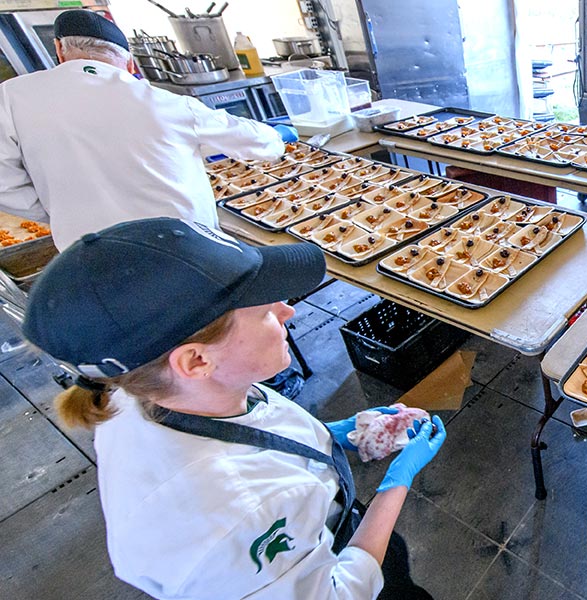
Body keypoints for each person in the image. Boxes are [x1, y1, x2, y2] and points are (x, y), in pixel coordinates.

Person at [22, 217, 444, 599]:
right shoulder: (238, 514)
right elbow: (339, 592)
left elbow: (251, 436)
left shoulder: (139, 395)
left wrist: (331, 434)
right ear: (196, 360)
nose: (288, 310)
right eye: (263, 311)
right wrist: (396, 482)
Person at [0, 10, 298, 251]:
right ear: (130, 63)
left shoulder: (12, 97)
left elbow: (5, 186)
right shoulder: (162, 102)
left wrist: (67, 212)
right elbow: (261, 144)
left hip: (90, 253)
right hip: (187, 246)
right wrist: (278, 135)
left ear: (59, 51)